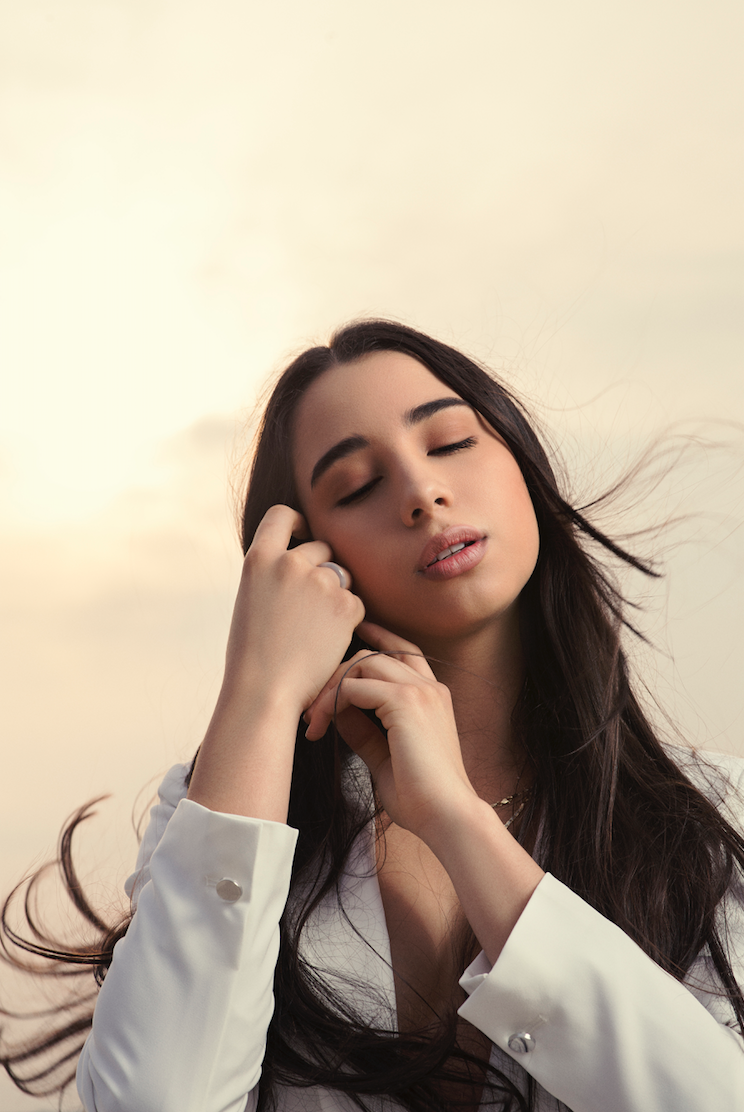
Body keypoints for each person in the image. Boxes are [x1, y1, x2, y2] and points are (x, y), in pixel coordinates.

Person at [2, 319, 744, 1112]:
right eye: (357, 487)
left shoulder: (710, 818)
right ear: (309, 562)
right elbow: (154, 1102)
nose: (422, 494)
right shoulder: (228, 808)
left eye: (452, 441)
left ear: (522, 464)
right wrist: (257, 695)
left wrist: (457, 819)